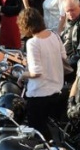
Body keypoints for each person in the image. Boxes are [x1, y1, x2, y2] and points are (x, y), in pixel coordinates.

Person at [19, 8, 65, 141]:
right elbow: (63, 57)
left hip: (39, 93)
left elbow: (36, 72)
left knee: (39, 130)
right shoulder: (55, 35)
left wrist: (22, 75)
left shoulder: (32, 42)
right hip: (56, 89)